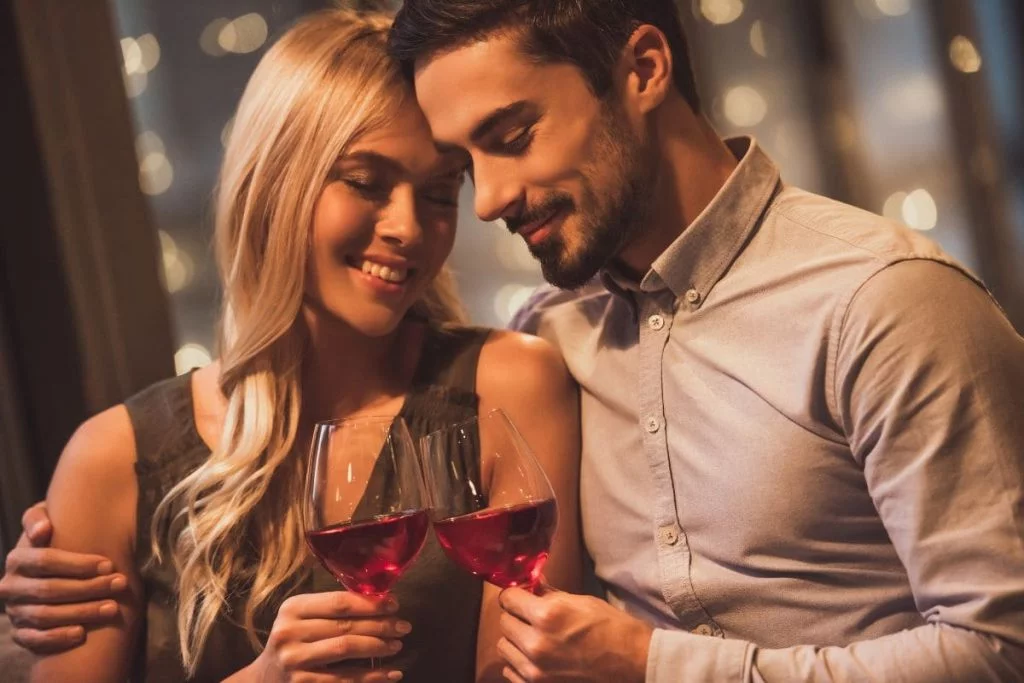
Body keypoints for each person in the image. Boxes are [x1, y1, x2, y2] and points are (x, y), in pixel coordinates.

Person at [6, 0, 1024, 681]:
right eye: (457, 168)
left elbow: (1004, 643)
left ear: (642, 68)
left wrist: (653, 662)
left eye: (502, 142)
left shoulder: (884, 301)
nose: (479, 205)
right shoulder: (563, 330)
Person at [0, 8, 582, 683]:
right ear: (274, 183)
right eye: (366, 181)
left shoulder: (506, 386)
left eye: (439, 193)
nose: (408, 228)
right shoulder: (111, 461)